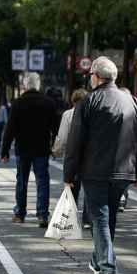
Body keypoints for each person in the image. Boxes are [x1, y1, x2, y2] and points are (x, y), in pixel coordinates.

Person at [63, 57, 137, 274]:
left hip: (96, 171)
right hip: (124, 171)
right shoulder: (133, 101)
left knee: (99, 217)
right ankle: (98, 261)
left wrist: (69, 175)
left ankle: (108, 270)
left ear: (97, 77)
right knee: (108, 218)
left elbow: (75, 141)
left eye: (90, 74)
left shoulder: (88, 102)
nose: (89, 78)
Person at [1, 72, 59, 229]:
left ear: (25, 85)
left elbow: (10, 129)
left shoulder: (18, 103)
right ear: (38, 85)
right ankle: (42, 215)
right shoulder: (48, 103)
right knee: (42, 181)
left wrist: (4, 151)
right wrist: (55, 146)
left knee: (22, 181)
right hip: (42, 148)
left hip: (23, 148)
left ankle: (20, 213)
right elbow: (56, 128)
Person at [52, 88, 90, 228]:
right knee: (89, 189)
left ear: (73, 101)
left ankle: (70, 219)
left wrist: (56, 151)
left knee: (71, 187)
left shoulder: (68, 115)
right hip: (90, 156)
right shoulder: (92, 114)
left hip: (72, 156)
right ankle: (87, 219)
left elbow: (62, 138)